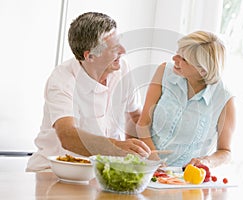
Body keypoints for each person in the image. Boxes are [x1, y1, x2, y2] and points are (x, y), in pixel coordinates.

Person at [26, 12, 151, 172]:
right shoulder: (62, 79)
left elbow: (134, 116)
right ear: (90, 56)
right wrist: (119, 148)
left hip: (101, 172)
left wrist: (137, 156)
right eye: (114, 48)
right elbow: (67, 136)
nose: (123, 50)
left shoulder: (122, 69)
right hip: (54, 171)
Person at [137, 30, 236, 168]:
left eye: (183, 59)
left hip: (185, 177)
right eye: (178, 53)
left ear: (203, 71)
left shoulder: (224, 98)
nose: (174, 59)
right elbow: (143, 123)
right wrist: (154, 159)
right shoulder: (164, 71)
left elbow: (225, 152)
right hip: (147, 166)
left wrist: (206, 162)